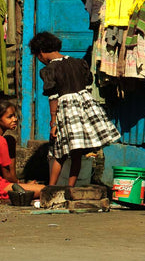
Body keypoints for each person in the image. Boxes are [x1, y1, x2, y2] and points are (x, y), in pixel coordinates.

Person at [29, 31, 121, 186]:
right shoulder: (79, 63)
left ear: (41, 53)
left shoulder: (49, 70)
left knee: (59, 152)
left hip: (66, 111)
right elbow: (87, 86)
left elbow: (53, 97)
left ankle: (51, 188)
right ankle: (70, 188)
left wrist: (53, 122)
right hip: (84, 108)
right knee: (77, 152)